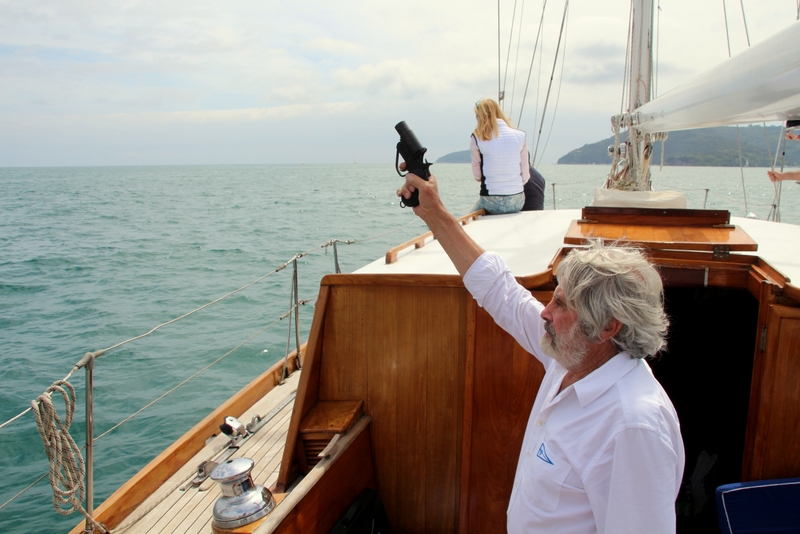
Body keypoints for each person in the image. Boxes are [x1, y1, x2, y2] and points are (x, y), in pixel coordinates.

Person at [397, 168, 685, 533]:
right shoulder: (572, 358)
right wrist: (433, 212)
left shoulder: (634, 427)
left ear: (608, 327)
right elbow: (500, 291)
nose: (545, 312)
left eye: (562, 305)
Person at [470, 99, 530, 214]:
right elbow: (525, 173)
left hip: (491, 201)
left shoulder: (477, 137)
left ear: (479, 116)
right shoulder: (521, 135)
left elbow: (477, 173)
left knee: (463, 223)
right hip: (518, 201)